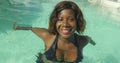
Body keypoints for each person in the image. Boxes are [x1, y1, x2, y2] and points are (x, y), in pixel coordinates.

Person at [14, 1, 96, 63]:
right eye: (60, 19)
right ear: (54, 21)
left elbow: (89, 39)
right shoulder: (48, 36)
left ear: (78, 21)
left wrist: (93, 43)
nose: (65, 24)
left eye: (71, 19)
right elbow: (31, 28)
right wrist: (17, 27)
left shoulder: (82, 41)